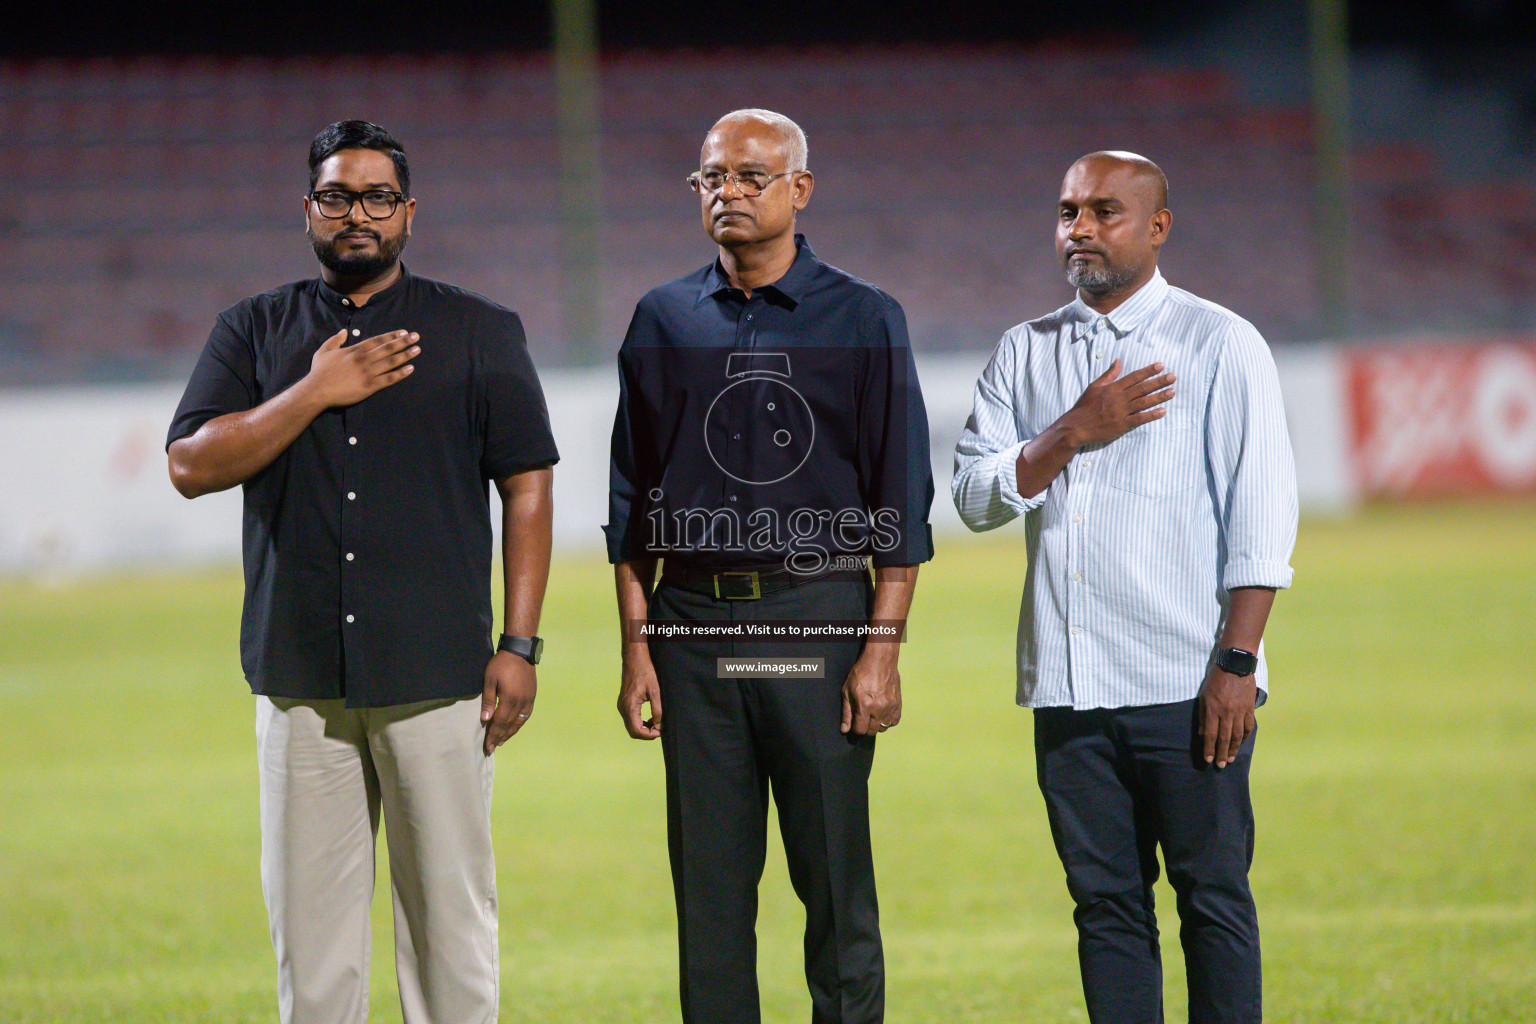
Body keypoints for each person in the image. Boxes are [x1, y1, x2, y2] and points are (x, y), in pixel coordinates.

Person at [166, 120, 558, 1024]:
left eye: (377, 197)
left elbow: (528, 489)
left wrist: (521, 643)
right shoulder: (255, 329)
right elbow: (191, 465)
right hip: (300, 679)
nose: (357, 215)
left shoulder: (479, 330)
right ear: (308, 209)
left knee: (452, 938)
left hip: (440, 679)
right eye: (337, 196)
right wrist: (312, 391)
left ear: (409, 213)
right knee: (313, 953)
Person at [952, 151, 1297, 1024]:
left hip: (1188, 682)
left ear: (1157, 227)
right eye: (1068, 211)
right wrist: (1068, 432)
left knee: (1212, 898)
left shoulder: (1220, 343)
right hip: (1068, 692)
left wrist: (1236, 663)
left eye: (1105, 211)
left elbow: (1261, 521)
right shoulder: (1024, 351)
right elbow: (970, 497)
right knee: (1105, 908)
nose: (1080, 230)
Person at [605, 108, 934, 1024]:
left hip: (815, 623)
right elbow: (629, 509)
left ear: (800, 188)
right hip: (693, 633)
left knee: (833, 884)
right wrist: (638, 651)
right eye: (712, 177)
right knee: (709, 899)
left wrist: (881, 651)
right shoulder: (662, 318)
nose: (728, 193)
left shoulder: (864, 317)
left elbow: (899, 504)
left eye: (751, 176)